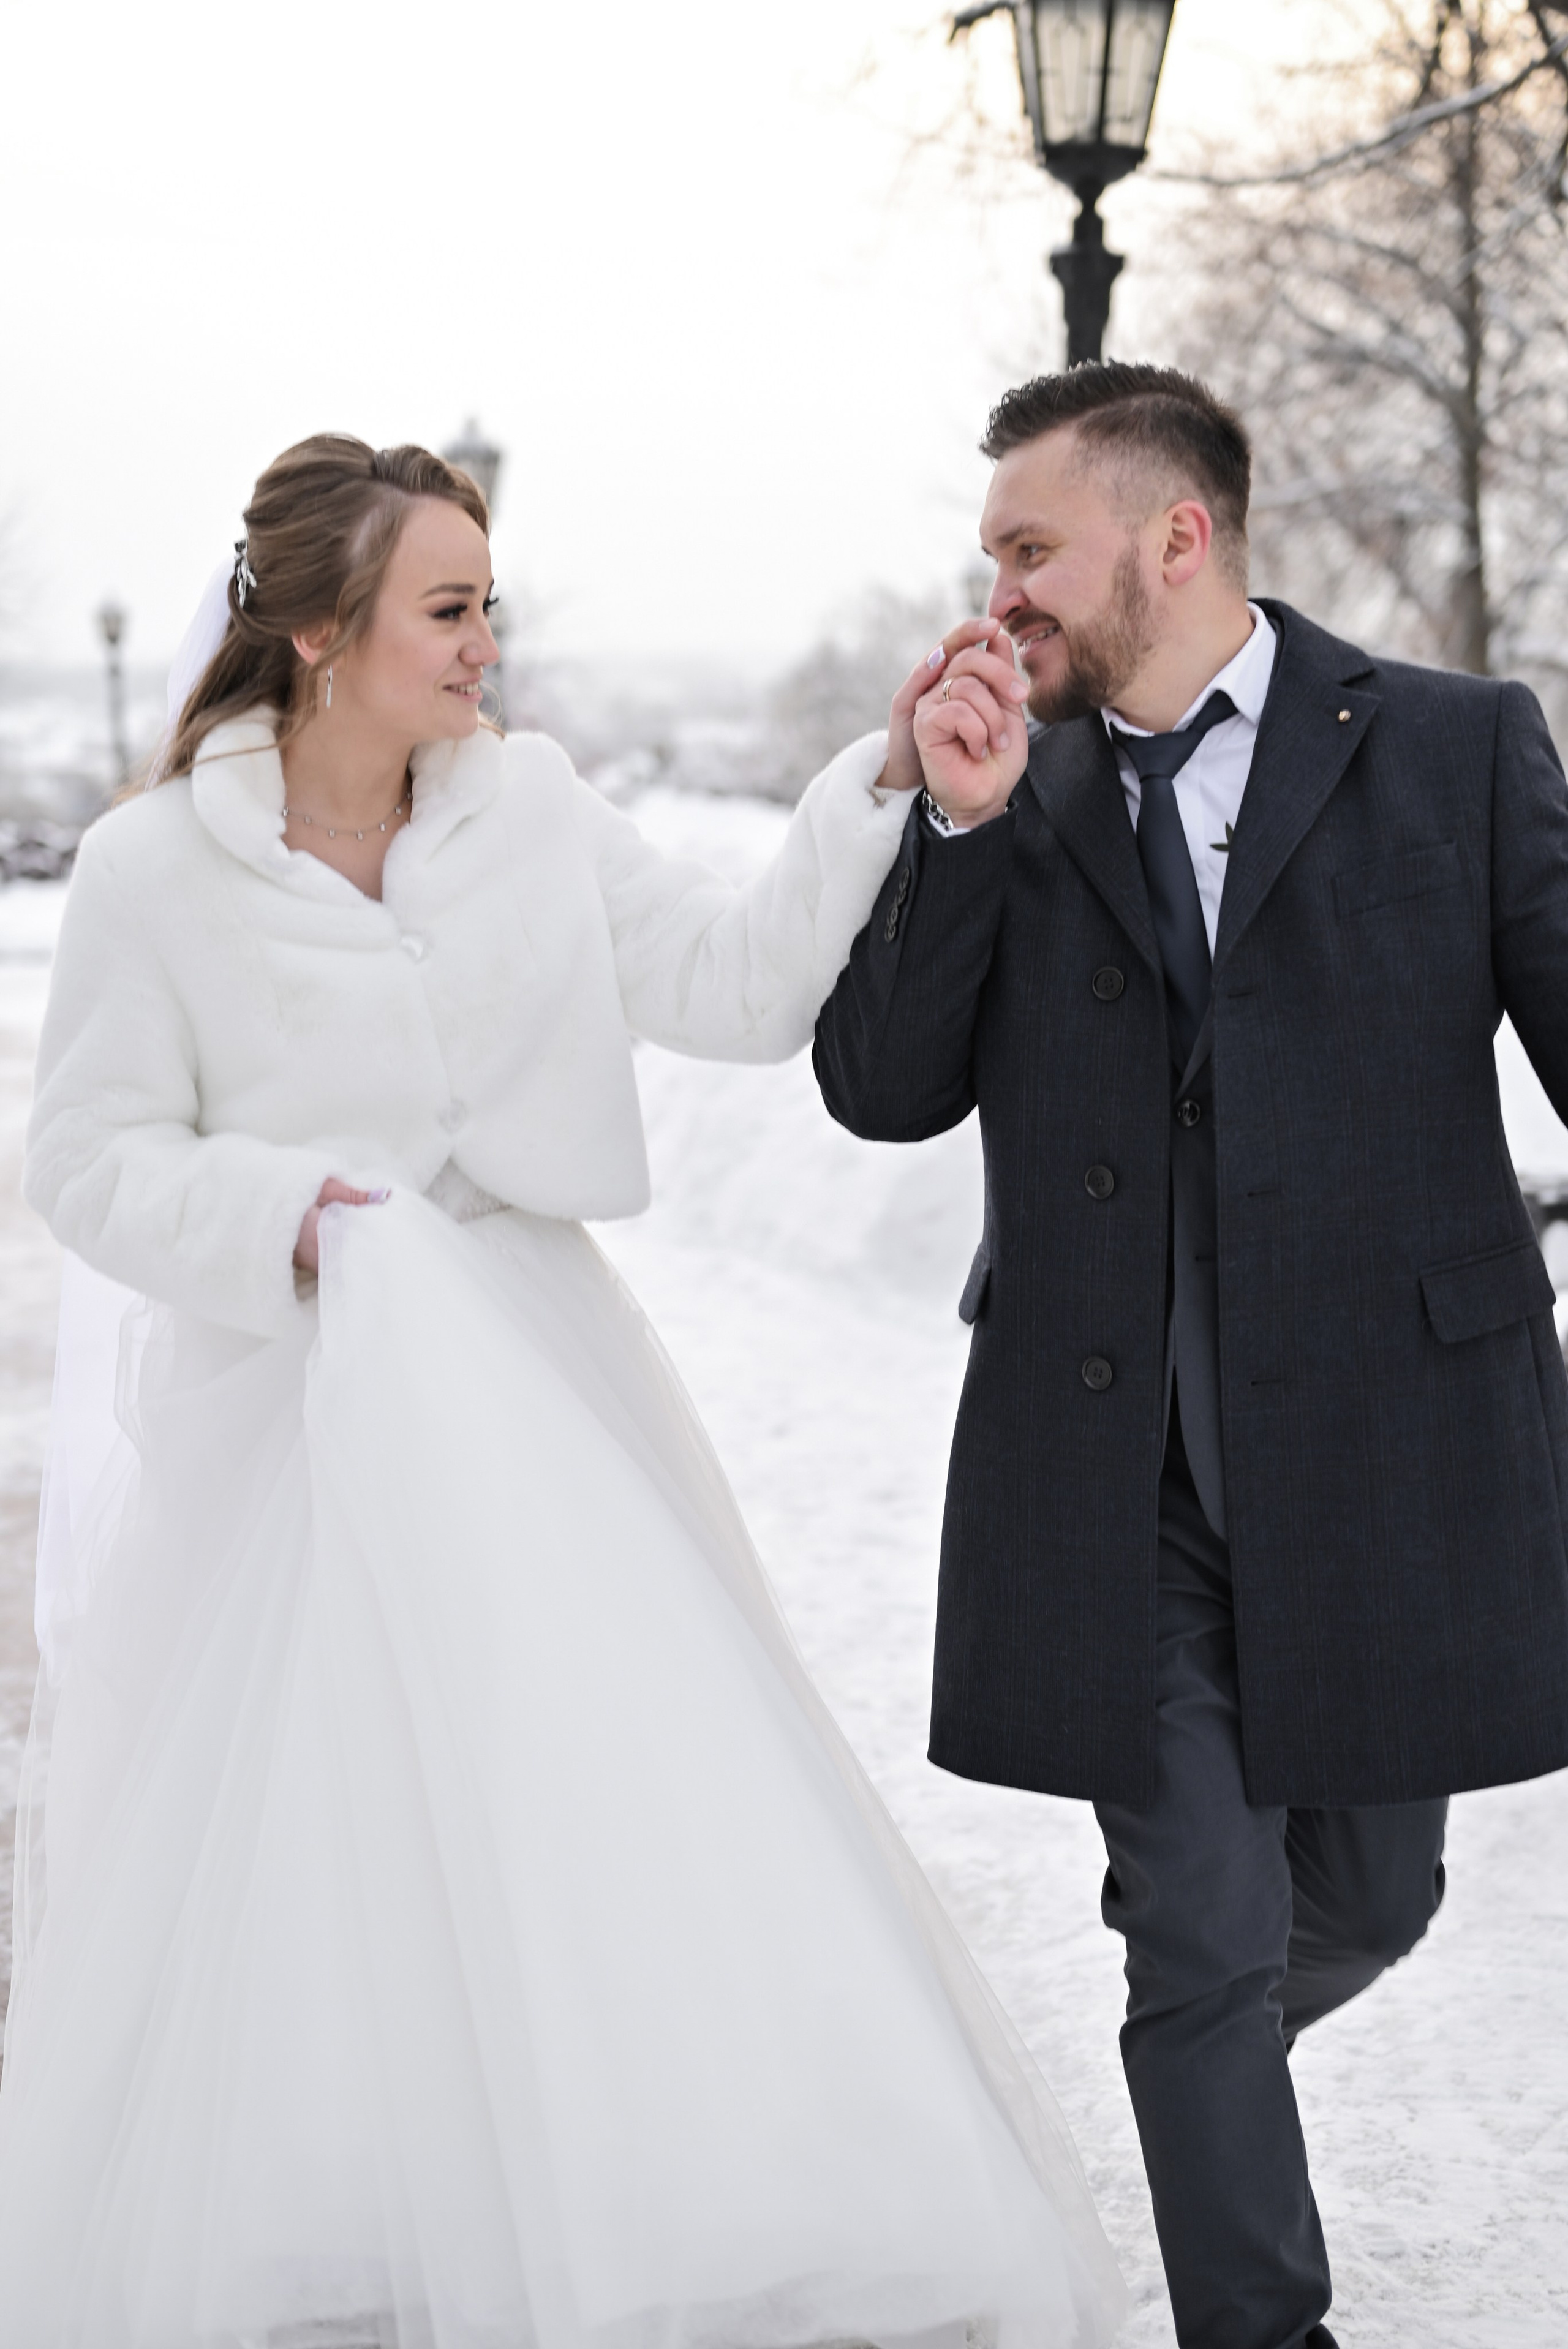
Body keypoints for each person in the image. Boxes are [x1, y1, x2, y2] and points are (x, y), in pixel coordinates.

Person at [0, 434, 1126, 2349]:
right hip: (296, 1418)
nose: (487, 644)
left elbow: (736, 986)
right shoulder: (151, 869)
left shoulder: (533, 809)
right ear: (321, 629)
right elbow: (88, 1159)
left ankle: (645, 2206)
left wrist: (883, 783)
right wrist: (288, 1218)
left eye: (490, 603)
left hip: (544, 1385)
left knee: (595, 1798)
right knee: (329, 1848)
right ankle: (347, 2246)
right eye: (449, 609)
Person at [813, 360, 1568, 2349]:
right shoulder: (1009, 782)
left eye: (1031, 550)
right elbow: (879, 1086)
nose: (999, 597)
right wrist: (950, 827)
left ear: (1176, 534)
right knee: (1203, 1928)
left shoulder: (1457, 747)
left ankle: (1198, 2056)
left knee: (1373, 1900)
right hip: (1111, 1473)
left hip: (1388, 1456)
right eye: (992, 554)